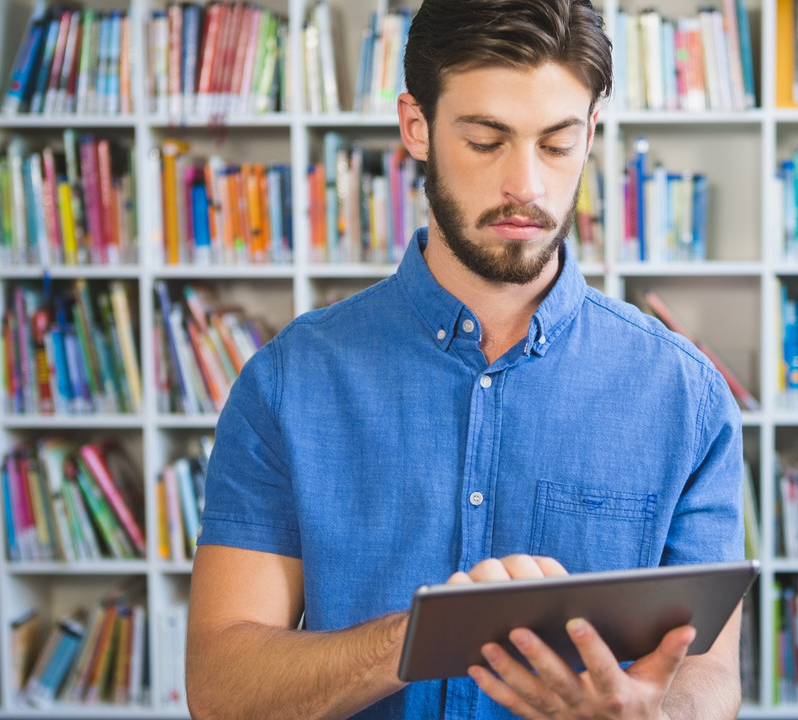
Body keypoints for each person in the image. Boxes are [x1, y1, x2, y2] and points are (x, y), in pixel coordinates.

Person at [185, 0, 745, 717]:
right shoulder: (288, 384)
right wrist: (427, 636)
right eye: (486, 140)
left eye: (556, 143)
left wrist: (650, 715)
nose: (527, 186)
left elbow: (709, 675)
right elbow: (221, 687)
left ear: (591, 134)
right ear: (416, 126)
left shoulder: (685, 396)